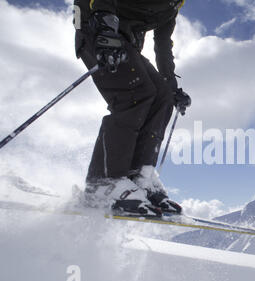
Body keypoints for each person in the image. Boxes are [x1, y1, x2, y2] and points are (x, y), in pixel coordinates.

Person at [73, 0, 191, 216]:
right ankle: (104, 184)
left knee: (162, 96)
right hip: (97, 29)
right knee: (135, 94)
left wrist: (171, 85)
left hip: (125, 42)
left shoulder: (174, 4)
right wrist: (105, 26)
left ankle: (137, 176)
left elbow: (163, 43)